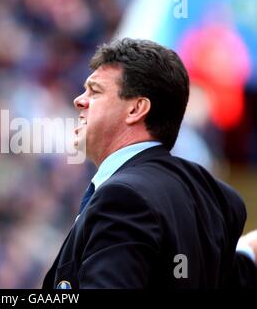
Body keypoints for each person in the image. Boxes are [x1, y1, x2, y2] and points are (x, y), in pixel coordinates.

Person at [42, 38, 257, 289]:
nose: (80, 100)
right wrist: (246, 255)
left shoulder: (121, 198)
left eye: (95, 91)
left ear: (136, 109)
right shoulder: (217, 197)